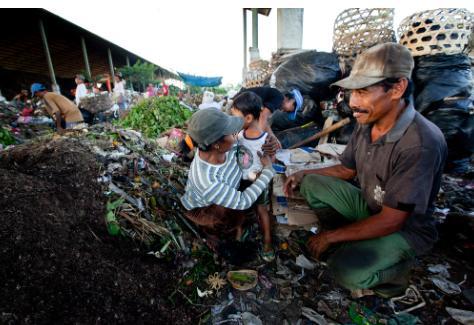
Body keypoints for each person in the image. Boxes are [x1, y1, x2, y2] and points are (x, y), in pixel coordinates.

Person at [283, 43, 447, 297]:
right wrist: (302, 174)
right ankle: (352, 240)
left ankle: (398, 276)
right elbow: (346, 170)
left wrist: (330, 237)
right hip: (372, 209)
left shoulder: (420, 143)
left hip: (404, 229)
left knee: (345, 272)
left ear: (398, 88)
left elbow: (393, 220)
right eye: (352, 92)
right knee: (312, 183)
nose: (353, 102)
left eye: (362, 91)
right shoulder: (367, 121)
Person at [180, 108, 276, 254]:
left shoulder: (227, 147)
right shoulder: (207, 181)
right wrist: (268, 170)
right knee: (229, 217)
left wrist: (267, 142)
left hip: (227, 189)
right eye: (232, 133)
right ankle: (216, 235)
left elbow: (244, 154)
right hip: (205, 209)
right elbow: (243, 201)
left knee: (241, 207)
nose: (236, 134)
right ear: (216, 144)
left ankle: (236, 225)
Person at [231, 92, 275, 261]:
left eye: (236, 117)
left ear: (248, 118)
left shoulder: (265, 140)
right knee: (240, 208)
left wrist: (264, 168)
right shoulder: (239, 136)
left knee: (261, 209)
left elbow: (271, 161)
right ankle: (240, 232)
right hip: (242, 180)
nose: (233, 121)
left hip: (259, 182)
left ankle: (267, 241)